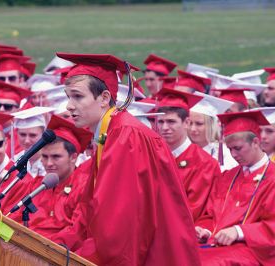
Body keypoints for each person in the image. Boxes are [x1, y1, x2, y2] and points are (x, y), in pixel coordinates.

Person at [53, 53, 200, 265]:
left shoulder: (126, 136)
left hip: (153, 252)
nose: (69, 106)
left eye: (77, 96)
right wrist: (61, 243)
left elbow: (122, 222)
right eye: (68, 96)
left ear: (104, 98)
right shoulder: (111, 131)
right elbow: (92, 206)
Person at [195, 110, 275, 265]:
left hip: (252, 249)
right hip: (217, 244)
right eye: (230, 149)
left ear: (256, 143)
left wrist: (239, 232)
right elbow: (210, 214)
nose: (233, 154)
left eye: (238, 148)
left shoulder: (272, 178)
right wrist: (205, 230)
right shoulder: (228, 177)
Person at [156, 88, 221, 221]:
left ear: (186, 123)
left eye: (171, 121)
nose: (164, 128)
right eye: (161, 122)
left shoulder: (205, 163)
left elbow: (194, 210)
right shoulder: (151, 155)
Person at [25, 115, 92, 239]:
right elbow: (16, 219)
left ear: (73, 157)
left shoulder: (85, 188)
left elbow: (77, 232)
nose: (49, 163)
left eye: (56, 157)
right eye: (45, 157)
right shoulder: (37, 186)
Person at [188, 91, 238, 171]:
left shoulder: (224, 155)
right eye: (190, 123)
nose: (193, 129)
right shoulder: (182, 150)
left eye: (199, 124)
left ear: (212, 126)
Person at [12, 107, 55, 178]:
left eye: (32, 135)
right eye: (22, 134)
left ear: (43, 134)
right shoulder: (15, 161)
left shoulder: (52, 163)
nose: (27, 141)